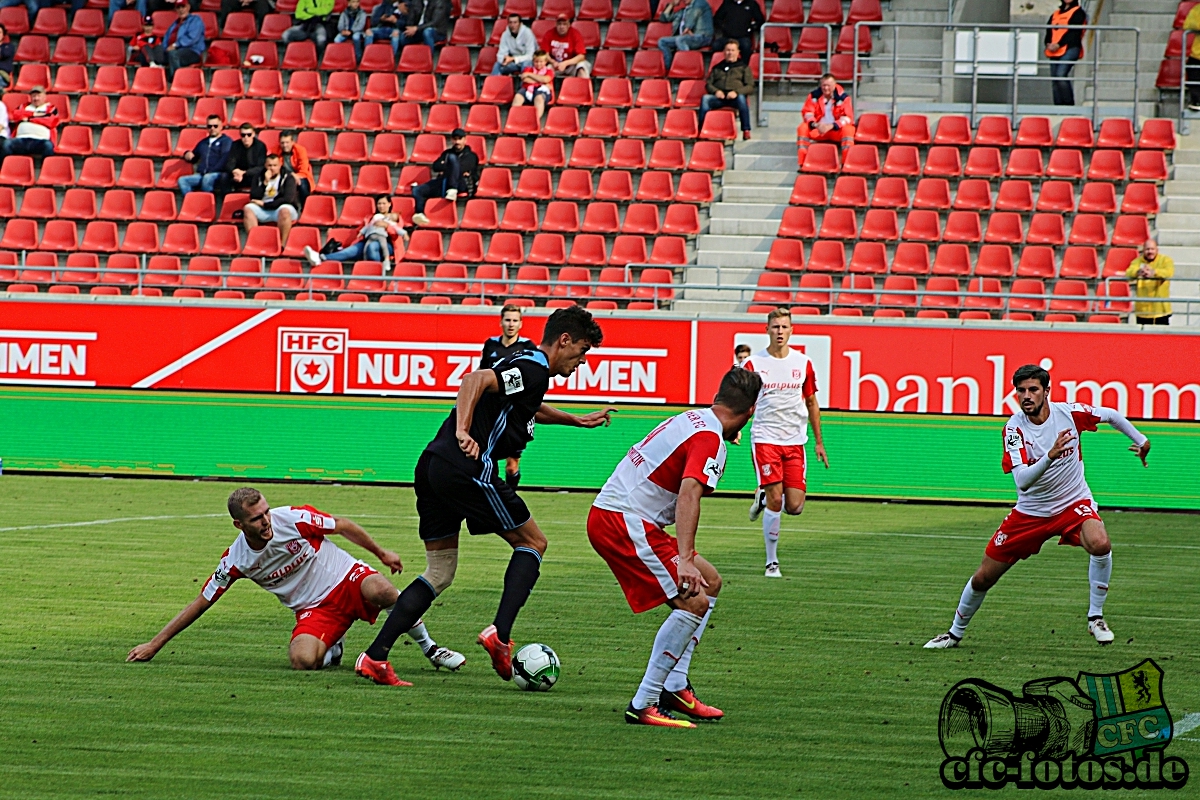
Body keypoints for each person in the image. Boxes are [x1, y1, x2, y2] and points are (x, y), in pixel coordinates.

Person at [353, 307, 613, 687]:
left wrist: (576, 419)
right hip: (466, 464)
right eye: (583, 352)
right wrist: (463, 430)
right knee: (533, 542)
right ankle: (500, 635)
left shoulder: (525, 364)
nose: (582, 362)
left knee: (439, 573)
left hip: (433, 465)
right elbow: (474, 380)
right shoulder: (534, 367)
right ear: (565, 340)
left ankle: (375, 657)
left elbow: (525, 405)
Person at [924, 365, 1151, 651]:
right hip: (1030, 513)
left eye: (1033, 389)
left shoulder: (1068, 414)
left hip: (1072, 502)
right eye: (1021, 390)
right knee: (983, 577)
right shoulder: (1014, 428)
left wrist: (1141, 441)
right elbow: (1023, 481)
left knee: (1100, 542)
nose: (1026, 396)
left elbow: (1111, 415)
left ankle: (1096, 618)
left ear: (1046, 391)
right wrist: (1050, 455)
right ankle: (954, 634)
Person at [126, 488, 465, 673]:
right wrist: (155, 644)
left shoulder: (292, 519)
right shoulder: (236, 560)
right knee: (303, 662)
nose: (266, 521)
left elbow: (342, 525)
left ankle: (431, 648)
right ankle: (332, 645)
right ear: (239, 525)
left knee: (384, 590)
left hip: (345, 577)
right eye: (257, 519)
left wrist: (381, 554)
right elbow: (202, 602)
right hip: (313, 608)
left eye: (266, 512)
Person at [588, 367, 762, 728]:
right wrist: (684, 559)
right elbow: (688, 494)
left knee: (710, 581)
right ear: (750, 411)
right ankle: (645, 702)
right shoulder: (709, 438)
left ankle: (675, 685)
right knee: (694, 600)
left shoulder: (694, 418)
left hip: (623, 516)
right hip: (625, 522)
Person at [744, 308, 829, 578]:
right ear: (766, 330)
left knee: (795, 507)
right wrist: (734, 429)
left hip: (795, 442)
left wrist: (818, 442)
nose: (780, 332)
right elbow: (742, 400)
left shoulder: (802, 363)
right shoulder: (754, 364)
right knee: (776, 500)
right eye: (775, 327)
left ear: (792, 330)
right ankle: (772, 563)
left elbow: (812, 403)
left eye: (784, 327)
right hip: (765, 439)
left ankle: (761, 496)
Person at [479, 304, 537, 490]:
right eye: (508, 320)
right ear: (501, 322)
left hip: (516, 413)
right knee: (489, 458)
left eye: (515, 320)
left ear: (521, 324)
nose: (511, 324)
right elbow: (482, 372)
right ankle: (493, 496)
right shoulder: (491, 345)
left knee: (512, 466)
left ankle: (510, 497)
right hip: (492, 410)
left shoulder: (528, 348)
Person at [304, 195, 407, 270]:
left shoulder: (395, 217)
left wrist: (386, 226)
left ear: (389, 204)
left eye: (384, 203)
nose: (381, 206)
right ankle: (320, 257)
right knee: (349, 251)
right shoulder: (370, 217)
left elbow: (396, 233)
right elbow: (361, 230)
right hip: (368, 241)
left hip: (387, 245)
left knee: (372, 246)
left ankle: (376, 271)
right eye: (379, 204)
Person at [410, 128, 478, 227]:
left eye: (460, 139)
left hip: (462, 183)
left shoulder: (471, 156)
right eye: (455, 139)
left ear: (465, 140)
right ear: (452, 140)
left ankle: (453, 189)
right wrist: (451, 167)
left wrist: (447, 165)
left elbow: (463, 168)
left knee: (452, 158)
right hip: (443, 181)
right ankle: (420, 213)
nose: (457, 142)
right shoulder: (446, 153)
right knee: (417, 190)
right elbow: (436, 166)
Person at [796, 72, 855, 166]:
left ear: (834, 85)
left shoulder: (844, 98)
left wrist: (832, 126)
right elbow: (807, 113)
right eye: (824, 85)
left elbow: (848, 118)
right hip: (818, 130)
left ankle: (846, 163)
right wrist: (816, 125)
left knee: (849, 129)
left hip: (835, 130)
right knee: (802, 127)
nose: (826, 88)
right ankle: (802, 162)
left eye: (829, 85)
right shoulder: (813, 96)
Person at [701, 40, 754, 141]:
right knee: (705, 99)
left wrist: (737, 92)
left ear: (738, 52)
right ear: (724, 52)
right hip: (719, 97)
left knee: (742, 99)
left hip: (735, 98)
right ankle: (702, 127)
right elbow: (708, 84)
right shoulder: (717, 67)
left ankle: (746, 130)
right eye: (728, 50)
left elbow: (750, 86)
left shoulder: (744, 67)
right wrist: (716, 91)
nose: (730, 53)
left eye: (733, 50)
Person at [243, 154, 299, 249]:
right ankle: (255, 243)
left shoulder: (288, 177)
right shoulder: (258, 177)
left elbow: (287, 199)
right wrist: (265, 182)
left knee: (284, 210)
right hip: (264, 209)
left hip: (280, 208)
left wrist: (265, 204)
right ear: (265, 165)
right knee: (248, 209)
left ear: (280, 165)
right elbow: (254, 196)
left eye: (274, 165)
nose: (272, 168)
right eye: (269, 165)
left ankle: (281, 245)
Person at [177, 115, 233, 195]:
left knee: (207, 178)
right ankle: (190, 203)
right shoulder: (203, 142)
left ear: (221, 127)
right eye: (209, 126)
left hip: (217, 174)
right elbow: (194, 157)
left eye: (215, 126)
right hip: (202, 174)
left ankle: (207, 203)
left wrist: (211, 171)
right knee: (182, 180)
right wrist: (187, 154)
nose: (212, 128)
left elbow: (224, 160)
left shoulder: (226, 141)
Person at [1044, 0, 1086, 106]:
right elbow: (1049, 30)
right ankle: (1058, 106)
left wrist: (1059, 44)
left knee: (1060, 75)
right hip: (1054, 50)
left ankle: (1068, 104)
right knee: (1055, 80)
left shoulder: (1078, 12)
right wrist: (1048, 44)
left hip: (1070, 48)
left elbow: (1074, 32)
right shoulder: (1056, 13)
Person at [1125, 238, 1173, 326]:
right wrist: (1138, 272)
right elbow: (1128, 273)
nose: (1150, 251)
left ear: (1157, 250)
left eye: (1152, 249)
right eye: (1147, 249)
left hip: (1160, 310)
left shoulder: (1166, 260)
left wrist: (1154, 272)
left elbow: (1168, 273)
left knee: (1161, 338)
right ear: (1143, 250)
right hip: (1143, 310)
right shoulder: (1137, 262)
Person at [2, 86, 59, 157]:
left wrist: (28, 119)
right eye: (34, 96)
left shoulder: (51, 108)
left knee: (48, 146)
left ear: (45, 97)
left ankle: (46, 167)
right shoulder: (23, 106)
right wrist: (34, 114)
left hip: (40, 140)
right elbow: (15, 115)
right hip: (21, 139)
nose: (36, 98)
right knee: (6, 144)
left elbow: (51, 121)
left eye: (38, 96)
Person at [657, 0, 713, 71]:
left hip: (702, 36)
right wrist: (672, 5)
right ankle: (669, 69)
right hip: (684, 38)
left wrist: (688, 27)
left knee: (680, 39)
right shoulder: (683, 11)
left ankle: (687, 67)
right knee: (662, 41)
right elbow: (663, 18)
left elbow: (693, 15)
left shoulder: (700, 2)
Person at [160, 0, 206, 79]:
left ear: (188, 7)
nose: (181, 10)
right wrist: (164, 48)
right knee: (152, 53)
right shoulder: (174, 24)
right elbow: (166, 38)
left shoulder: (195, 20)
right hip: (173, 51)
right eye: (178, 7)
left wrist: (175, 45)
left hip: (191, 51)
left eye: (183, 7)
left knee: (173, 54)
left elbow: (192, 38)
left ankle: (176, 80)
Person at [540, 14, 590, 79]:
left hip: (572, 64)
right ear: (556, 25)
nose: (561, 27)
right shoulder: (549, 34)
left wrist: (566, 63)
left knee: (582, 67)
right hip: (555, 64)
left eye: (564, 24)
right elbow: (544, 54)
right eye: (559, 24)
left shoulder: (575, 34)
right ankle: (544, 88)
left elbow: (581, 56)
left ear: (569, 25)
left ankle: (584, 88)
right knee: (545, 70)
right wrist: (552, 62)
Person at [512, 50, 554, 123]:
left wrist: (530, 75)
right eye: (536, 62)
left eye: (541, 62)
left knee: (539, 98)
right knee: (518, 96)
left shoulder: (549, 71)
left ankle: (535, 121)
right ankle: (513, 118)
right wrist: (541, 81)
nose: (538, 64)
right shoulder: (528, 69)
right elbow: (525, 79)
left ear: (545, 62)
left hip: (542, 90)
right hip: (527, 89)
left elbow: (546, 79)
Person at [277, 130, 313, 211]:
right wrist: (291, 175)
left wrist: (295, 176)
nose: (285, 145)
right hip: (283, 176)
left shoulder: (301, 150)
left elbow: (303, 170)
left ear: (292, 142)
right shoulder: (275, 150)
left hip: (300, 176)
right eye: (282, 143)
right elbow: (275, 168)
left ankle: (305, 209)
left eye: (287, 142)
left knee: (303, 185)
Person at [225, 123, 267, 193]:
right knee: (224, 177)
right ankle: (226, 200)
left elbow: (261, 166)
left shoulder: (260, 146)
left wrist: (244, 173)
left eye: (249, 134)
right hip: (237, 174)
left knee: (259, 176)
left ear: (253, 134)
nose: (246, 137)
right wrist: (234, 171)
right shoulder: (235, 145)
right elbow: (230, 162)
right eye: (243, 135)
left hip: (252, 174)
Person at [1184, 3, 1200, 111]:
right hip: (1197, 55)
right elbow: (1188, 24)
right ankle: (1197, 101)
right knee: (1192, 69)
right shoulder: (1197, 9)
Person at [0, 24, 14, 90]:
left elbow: (5, 54)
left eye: (0, 32)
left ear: (3, 34)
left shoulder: (9, 47)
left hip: (3, 75)